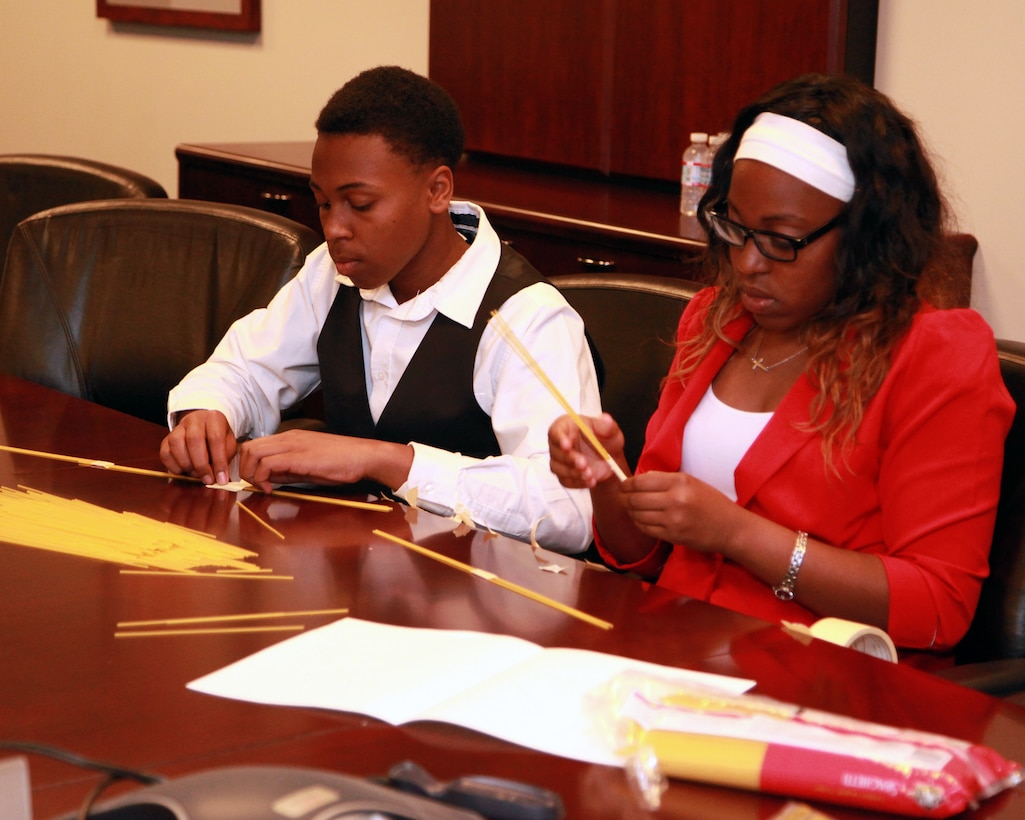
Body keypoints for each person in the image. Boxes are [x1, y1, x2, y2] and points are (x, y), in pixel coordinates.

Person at [548, 73, 1015, 651]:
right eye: (734, 226)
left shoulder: (935, 356)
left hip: (824, 679)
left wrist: (738, 533)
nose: (746, 263)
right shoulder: (713, 321)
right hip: (668, 646)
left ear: (866, 236)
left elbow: (939, 609)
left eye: (781, 239)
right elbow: (644, 559)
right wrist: (607, 479)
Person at [160, 65, 600, 555]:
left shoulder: (526, 318)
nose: (334, 229)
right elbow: (244, 368)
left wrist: (385, 461)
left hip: (479, 599)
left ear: (437, 191)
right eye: (324, 203)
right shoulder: (332, 274)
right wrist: (207, 411)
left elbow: (571, 509)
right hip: (355, 571)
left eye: (360, 204)